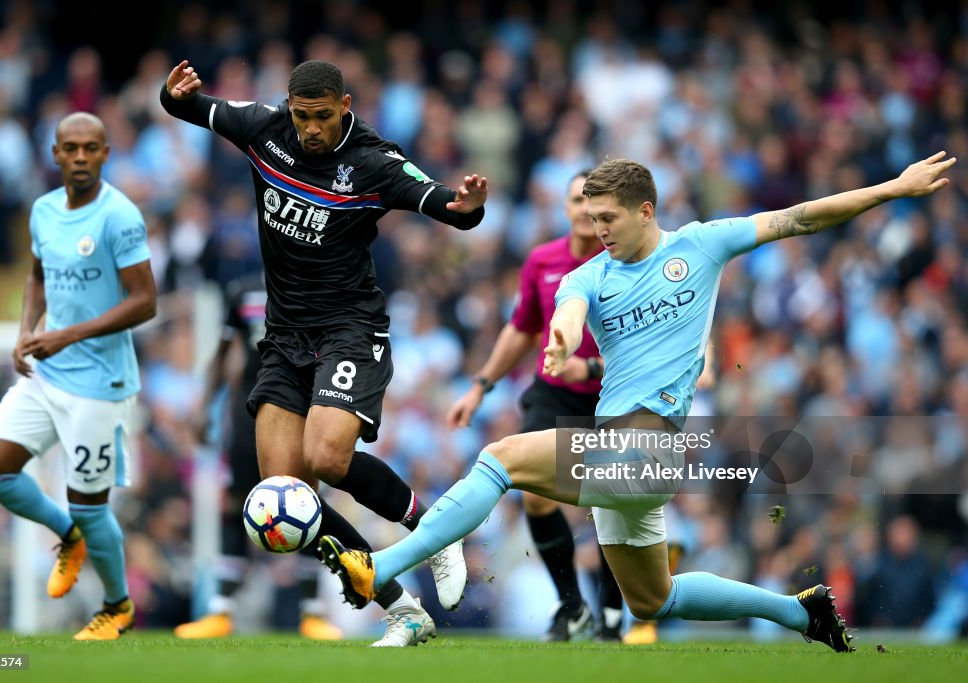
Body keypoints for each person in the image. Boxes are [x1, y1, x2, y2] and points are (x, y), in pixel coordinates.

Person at [321, 150, 958, 652]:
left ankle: (384, 565)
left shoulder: (702, 245)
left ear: (646, 210)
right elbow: (567, 313)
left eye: (608, 219)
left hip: (649, 446)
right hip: (620, 455)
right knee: (652, 603)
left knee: (502, 457)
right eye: (590, 219)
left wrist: (891, 190)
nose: (596, 232)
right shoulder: (588, 274)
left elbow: (801, 217)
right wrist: (564, 338)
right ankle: (801, 611)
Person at [160, 59, 488, 646]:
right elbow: (194, 108)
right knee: (284, 498)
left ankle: (436, 530)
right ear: (290, 107)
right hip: (285, 340)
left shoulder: (371, 161)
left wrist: (464, 208)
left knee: (329, 459)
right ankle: (402, 609)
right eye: (302, 116)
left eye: (322, 116)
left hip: (349, 329)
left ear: (345, 105)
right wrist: (174, 94)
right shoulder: (264, 128)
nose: (311, 128)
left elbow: (441, 202)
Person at [0, 112, 156, 640]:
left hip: (99, 386)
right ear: (54, 154)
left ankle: (117, 607)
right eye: (69, 148)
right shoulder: (43, 211)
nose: (78, 157)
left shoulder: (119, 216)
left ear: (104, 153)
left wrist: (64, 335)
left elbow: (146, 302)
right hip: (45, 373)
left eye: (89, 148)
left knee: (91, 505)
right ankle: (66, 534)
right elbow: (36, 275)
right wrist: (26, 331)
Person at [448, 169, 624, 641]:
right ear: (565, 209)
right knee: (535, 493)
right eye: (576, 200)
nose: (584, 210)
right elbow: (522, 328)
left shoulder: (628, 264)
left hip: (615, 395)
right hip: (552, 392)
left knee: (615, 503)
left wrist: (589, 369)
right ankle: (572, 607)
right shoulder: (543, 260)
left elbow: (647, 346)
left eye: (593, 201)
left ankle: (610, 614)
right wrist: (480, 385)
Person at [174, 271, 341, 640]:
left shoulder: (319, 283)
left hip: (302, 409)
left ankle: (312, 613)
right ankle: (220, 612)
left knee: (307, 504)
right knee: (235, 505)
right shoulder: (243, 289)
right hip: (248, 411)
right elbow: (222, 352)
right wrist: (205, 406)